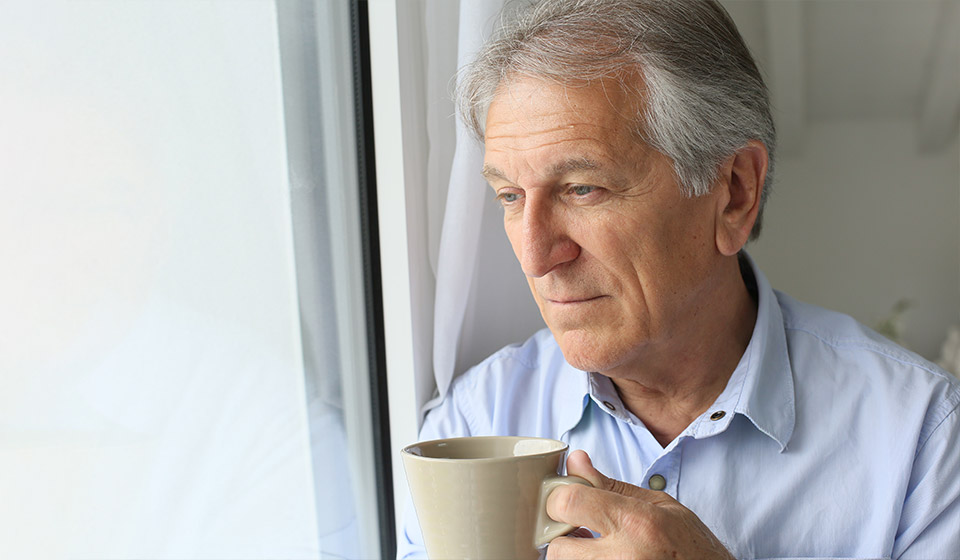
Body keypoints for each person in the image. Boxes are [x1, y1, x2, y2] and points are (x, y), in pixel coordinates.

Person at [398, 1, 960, 558]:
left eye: (582, 188)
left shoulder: (923, 440)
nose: (535, 256)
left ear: (735, 192)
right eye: (511, 196)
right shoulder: (473, 422)